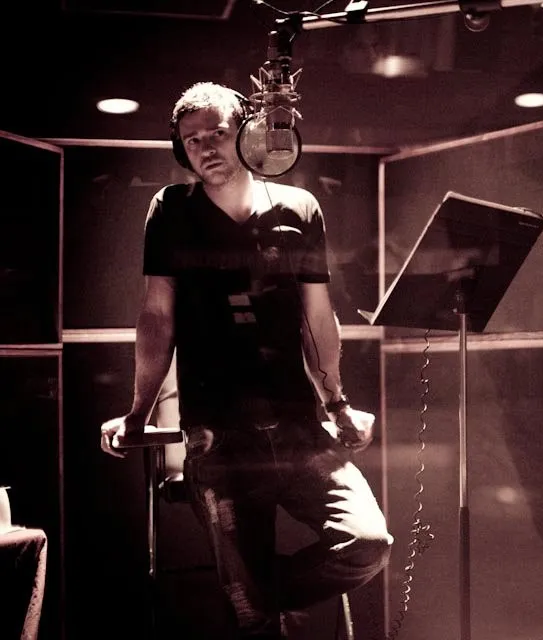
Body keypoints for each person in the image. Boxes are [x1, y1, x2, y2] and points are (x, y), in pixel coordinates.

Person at [100, 81, 393, 639]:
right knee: (252, 618)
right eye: (192, 140)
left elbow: (317, 315)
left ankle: (252, 597)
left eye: (218, 133)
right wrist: (138, 413)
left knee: (367, 545)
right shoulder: (170, 210)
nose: (205, 148)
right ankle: (251, 603)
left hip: (300, 434)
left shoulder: (299, 207)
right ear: (180, 148)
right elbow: (157, 315)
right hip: (220, 442)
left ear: (249, 135)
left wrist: (337, 404)